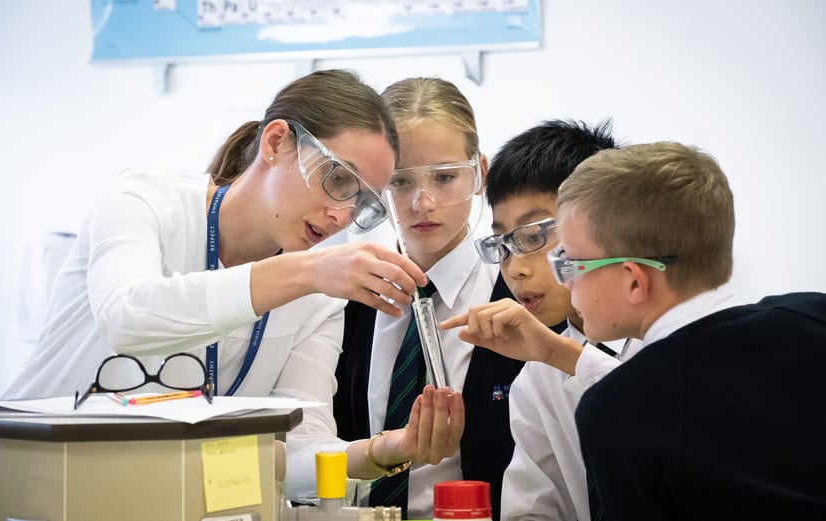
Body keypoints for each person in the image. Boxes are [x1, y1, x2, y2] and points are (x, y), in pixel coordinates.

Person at [0, 69, 464, 501]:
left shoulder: (318, 298)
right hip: (21, 487)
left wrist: (388, 449)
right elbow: (127, 318)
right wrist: (305, 273)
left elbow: (298, 451)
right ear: (276, 142)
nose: (341, 215)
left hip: (148, 501)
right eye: (337, 179)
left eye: (361, 202)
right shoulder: (145, 201)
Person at [444, 141, 826, 519]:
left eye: (572, 263)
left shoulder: (619, 407)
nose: (566, 280)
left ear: (634, 281)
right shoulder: (812, 318)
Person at [334, 77, 521, 521]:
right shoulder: (350, 301)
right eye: (400, 181)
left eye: (444, 177)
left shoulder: (518, 295)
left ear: (480, 173)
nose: (423, 202)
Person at [472, 119, 643, 521]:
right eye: (503, 244)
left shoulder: (670, 341)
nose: (515, 269)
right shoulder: (537, 378)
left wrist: (562, 355)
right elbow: (532, 510)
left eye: (533, 236)